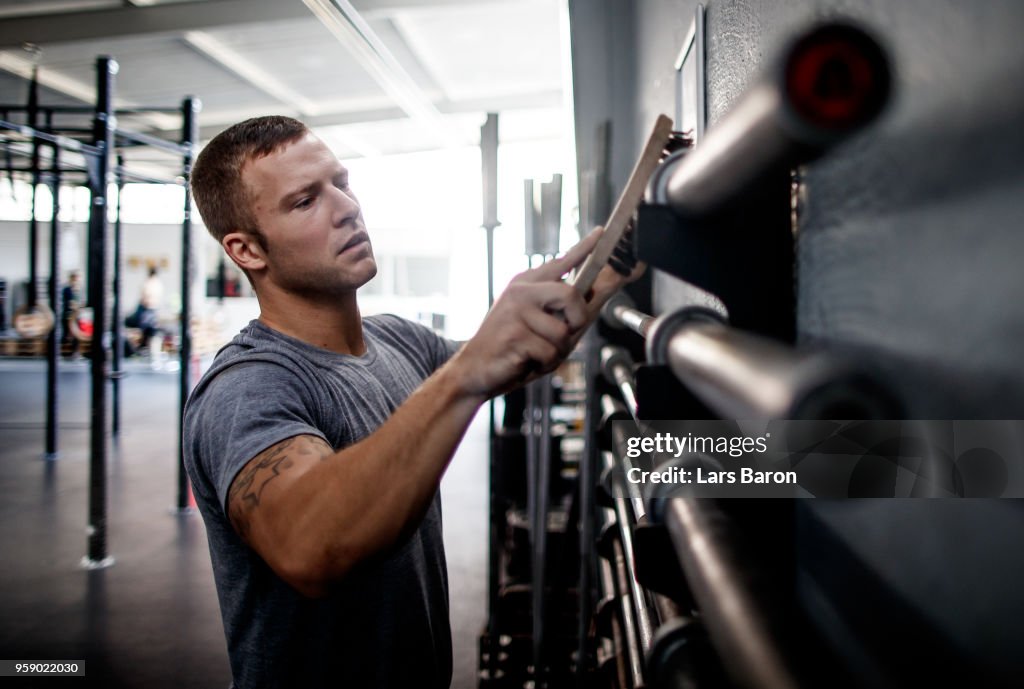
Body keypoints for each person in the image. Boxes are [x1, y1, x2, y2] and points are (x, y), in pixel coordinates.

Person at [184, 115, 638, 689]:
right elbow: (309, 546)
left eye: (341, 184)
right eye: (304, 202)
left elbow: (509, 360)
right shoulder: (250, 386)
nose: (346, 208)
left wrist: (597, 280)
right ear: (247, 250)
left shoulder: (398, 338)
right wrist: (468, 372)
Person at [60, 271, 82, 357]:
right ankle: (63, 351)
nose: (75, 280)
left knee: (76, 334)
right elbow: (65, 301)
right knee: (65, 333)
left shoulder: (79, 290)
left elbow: (80, 301)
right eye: (74, 278)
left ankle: (75, 351)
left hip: (76, 314)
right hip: (67, 313)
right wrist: (71, 305)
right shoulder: (66, 289)